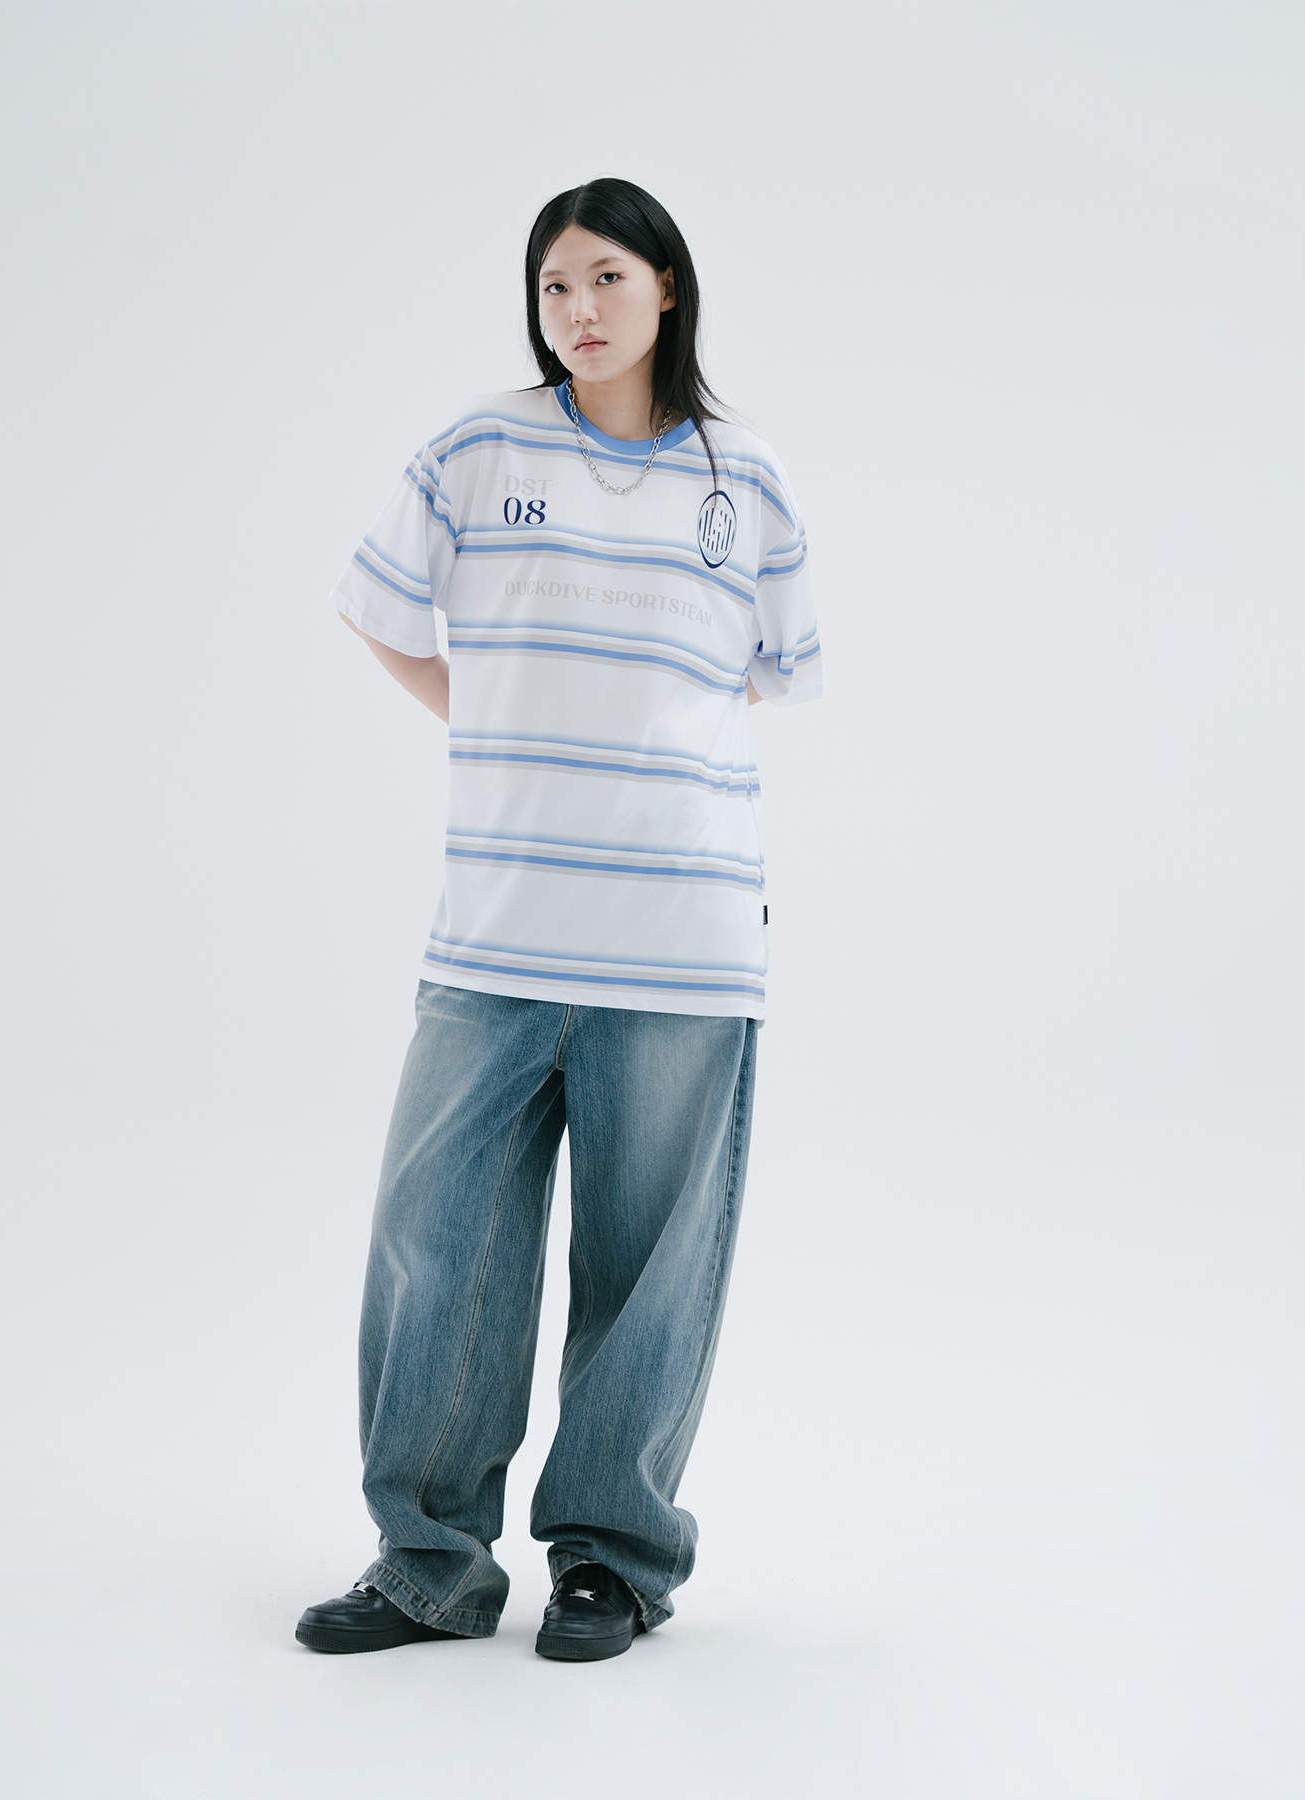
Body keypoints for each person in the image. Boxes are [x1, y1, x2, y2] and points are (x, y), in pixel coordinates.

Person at [296, 177, 821, 1663]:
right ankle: (430, 1563)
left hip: (683, 934)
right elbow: (381, 613)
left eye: (605, 279)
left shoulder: (745, 477)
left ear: (667, 287)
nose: (577, 311)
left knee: (650, 1265)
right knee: (435, 1241)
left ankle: (611, 1560)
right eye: (552, 286)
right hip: (498, 930)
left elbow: (769, 672)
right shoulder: (481, 445)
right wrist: (499, 727)